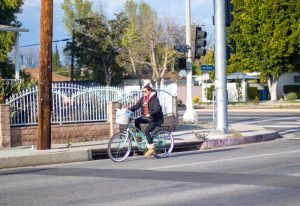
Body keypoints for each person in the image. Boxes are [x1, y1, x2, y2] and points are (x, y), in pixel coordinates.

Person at [128, 83, 164, 156]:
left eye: (145, 91)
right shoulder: (143, 99)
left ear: (150, 91)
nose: (144, 93)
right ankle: (139, 138)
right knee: (137, 120)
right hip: (148, 118)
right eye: (143, 91)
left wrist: (150, 114)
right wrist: (129, 109)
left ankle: (151, 149)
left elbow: (157, 109)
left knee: (147, 131)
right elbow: (137, 106)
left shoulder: (155, 99)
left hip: (155, 118)